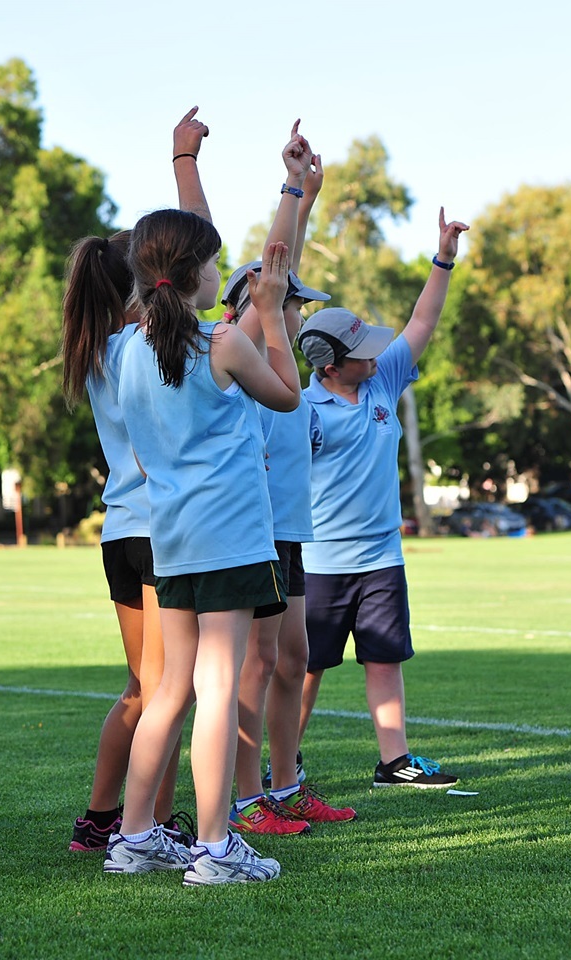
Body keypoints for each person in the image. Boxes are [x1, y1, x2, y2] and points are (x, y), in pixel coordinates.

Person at [105, 133, 308, 887]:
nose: (224, 275)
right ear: (194, 275)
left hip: (173, 538)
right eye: (215, 264)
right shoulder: (220, 344)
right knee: (217, 689)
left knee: (170, 690)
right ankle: (216, 847)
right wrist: (273, 314)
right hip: (229, 536)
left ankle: (133, 836)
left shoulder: (126, 350)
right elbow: (287, 397)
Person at [57, 108, 216, 854]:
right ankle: (144, 826)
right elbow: (199, 252)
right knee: (168, 688)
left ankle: (104, 817)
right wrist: (186, 165)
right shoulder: (144, 344)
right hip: (159, 530)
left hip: (122, 531)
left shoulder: (99, 347)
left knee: (143, 686)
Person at [295, 207, 469, 790]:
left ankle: (395, 762)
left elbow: (422, 320)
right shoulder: (299, 408)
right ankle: (282, 763)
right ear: (330, 366)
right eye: (363, 350)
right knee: (305, 669)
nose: (377, 354)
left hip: (381, 559)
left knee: (385, 660)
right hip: (319, 564)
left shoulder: (382, 380)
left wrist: (443, 258)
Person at [220, 152, 357, 836]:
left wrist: (305, 196)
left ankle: (285, 785)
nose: (297, 309)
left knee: (293, 659)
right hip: (257, 531)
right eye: (288, 301)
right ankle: (248, 800)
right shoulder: (239, 361)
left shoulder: (282, 369)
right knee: (258, 663)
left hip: (290, 532)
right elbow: (271, 279)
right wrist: (291, 191)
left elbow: (281, 265)